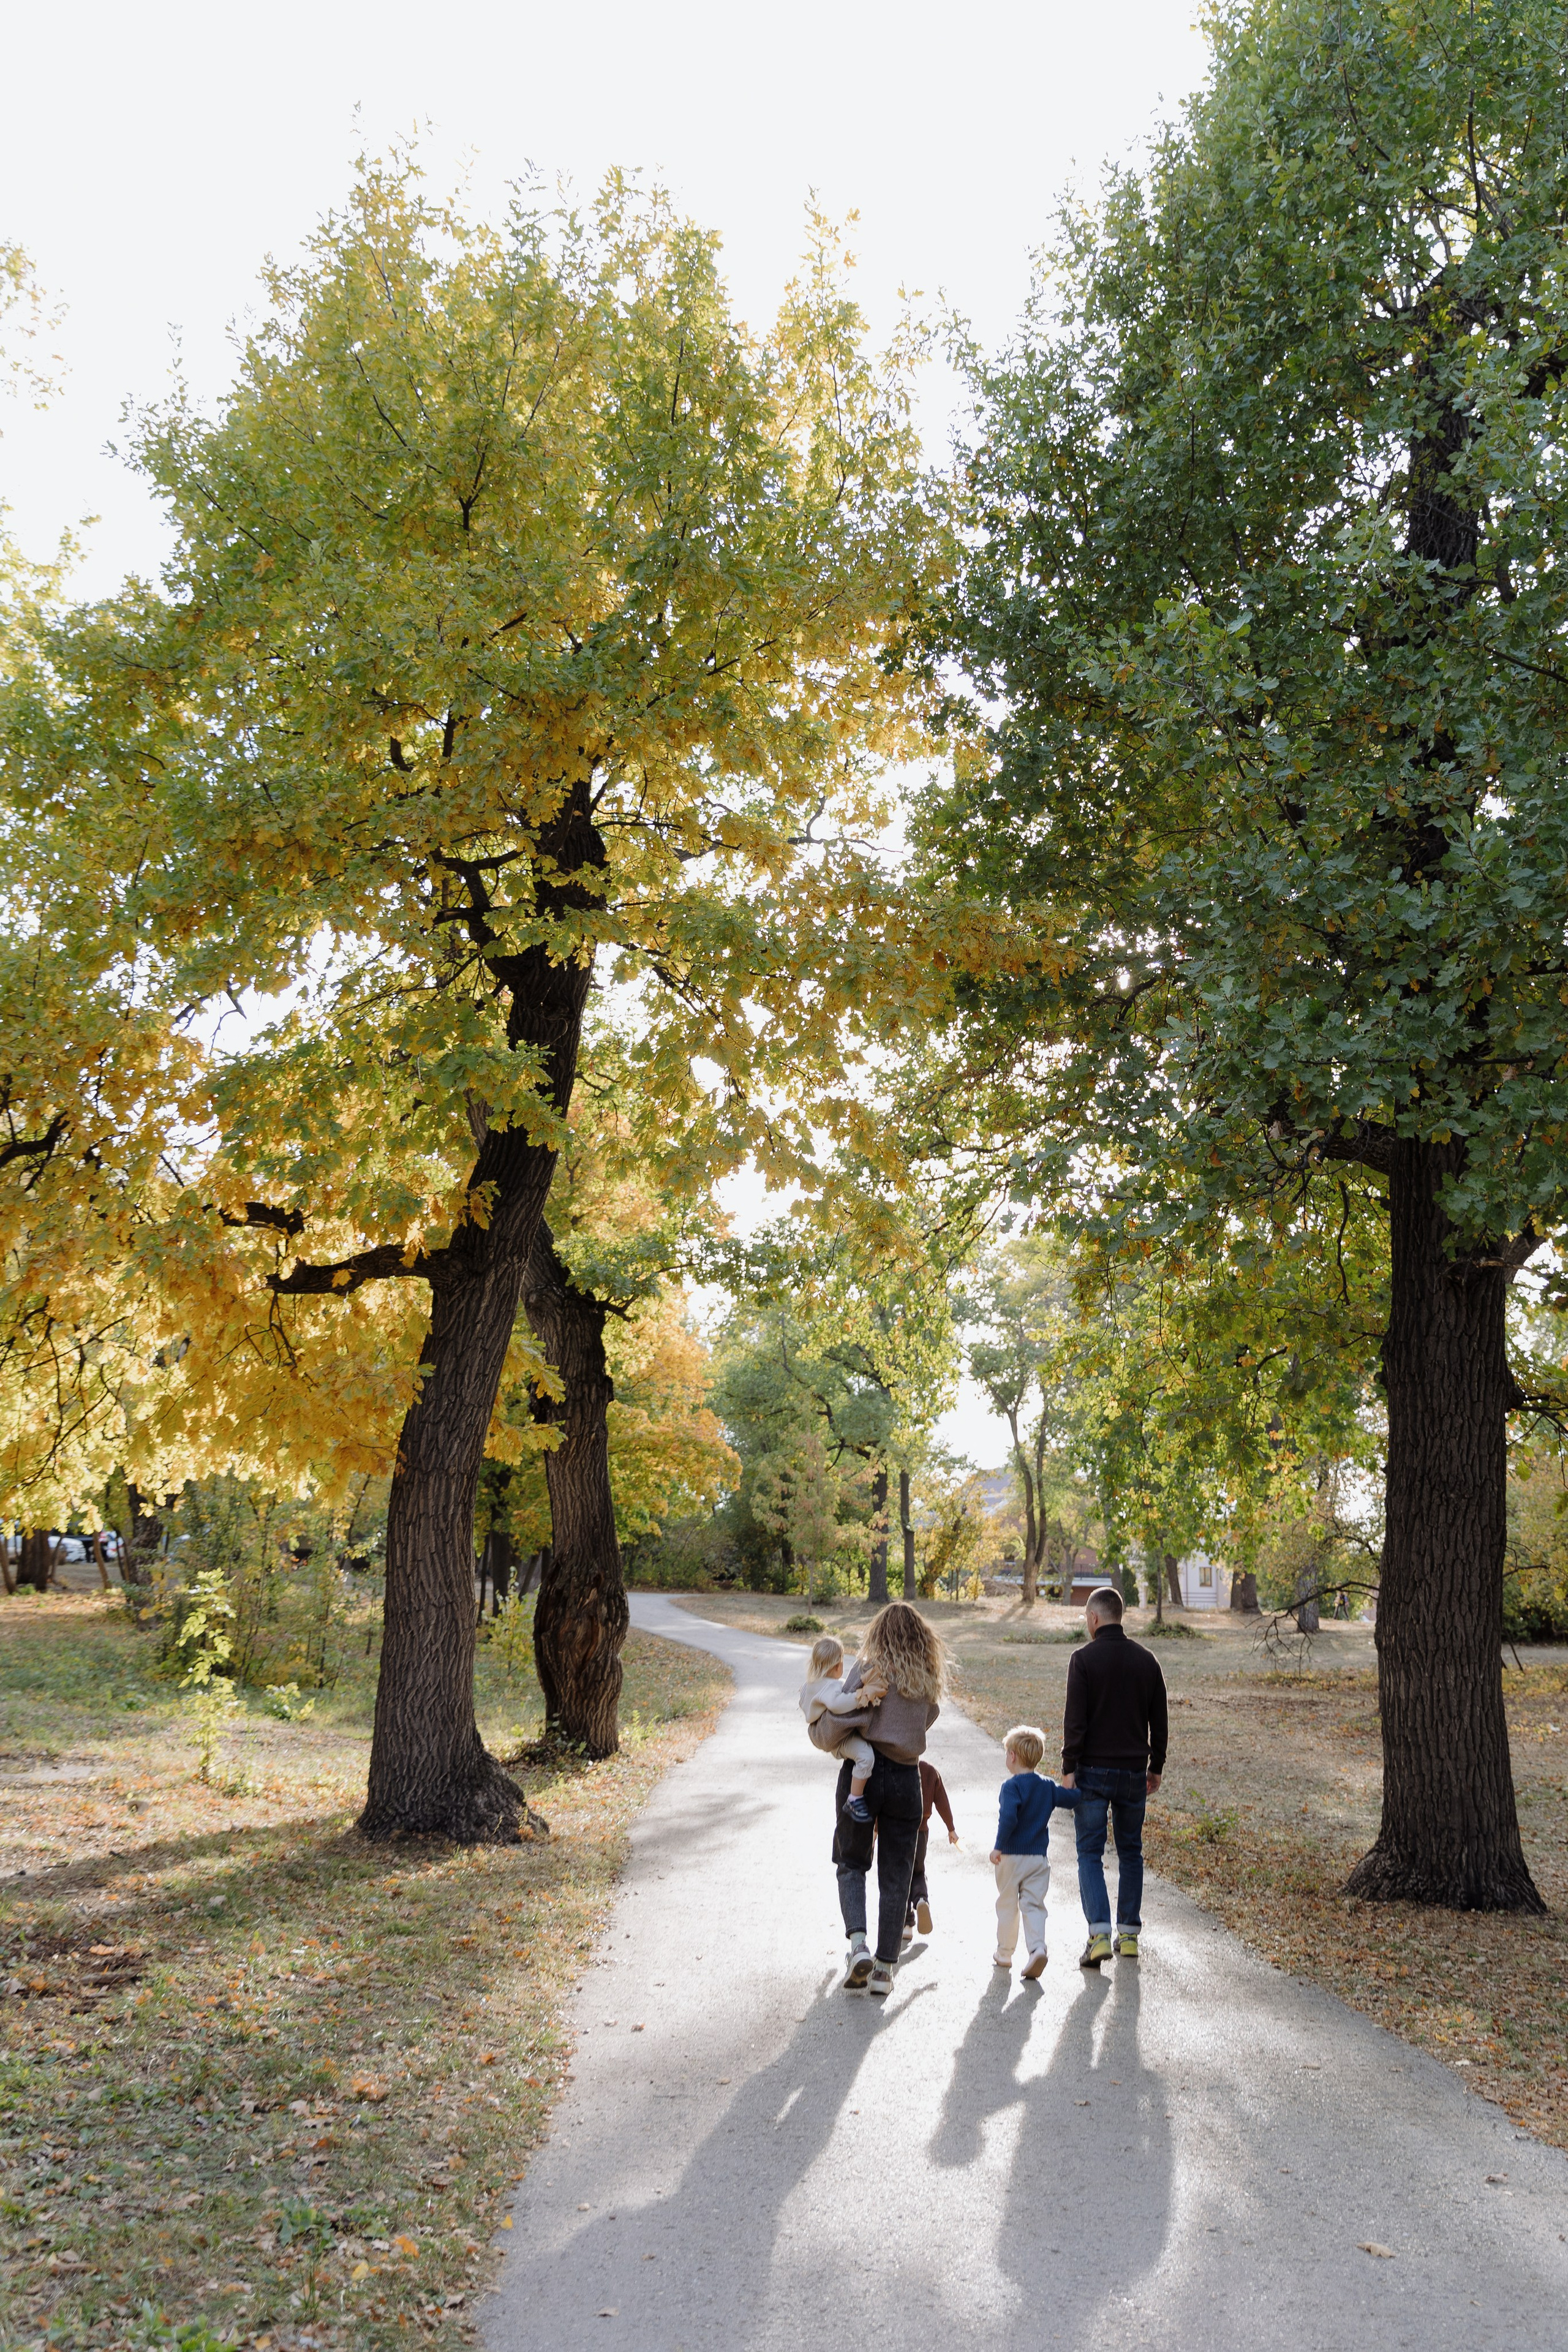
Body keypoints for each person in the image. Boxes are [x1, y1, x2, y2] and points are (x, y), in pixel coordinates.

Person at [832, 1601, 946, 1996]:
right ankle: (884, 1969)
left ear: (879, 1632)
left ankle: (858, 1946)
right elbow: (929, 1717)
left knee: (851, 1861)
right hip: (905, 1777)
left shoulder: (869, 1669)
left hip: (863, 1773)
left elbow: (844, 1709)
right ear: (920, 1637)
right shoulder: (927, 1678)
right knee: (897, 1874)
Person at [1061, 1583, 1168, 1969]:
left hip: (1091, 1771)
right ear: (1119, 1616)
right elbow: (1160, 1721)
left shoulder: (1083, 1659)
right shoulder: (1147, 1660)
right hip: (1132, 1774)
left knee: (1089, 1851)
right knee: (1131, 1852)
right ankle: (1130, 1936)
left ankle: (1099, 1936)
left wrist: (1069, 1768)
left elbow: (1075, 1722)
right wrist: (1155, 1767)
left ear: (1093, 1618)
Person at [988, 1724, 1080, 1978]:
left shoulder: (1011, 1787)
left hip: (1011, 1857)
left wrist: (998, 1847)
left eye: (1007, 1752)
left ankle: (1004, 1954)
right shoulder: (1047, 1786)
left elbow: (1008, 1819)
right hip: (1038, 1859)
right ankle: (1037, 1948)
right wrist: (1084, 1786)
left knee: (1008, 1904)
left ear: (1013, 1756)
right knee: (1033, 1905)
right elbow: (1071, 1799)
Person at [799, 1633, 884, 1822]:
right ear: (838, 1665)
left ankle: (854, 1793)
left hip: (823, 1736)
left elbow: (807, 1700)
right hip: (837, 1738)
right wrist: (862, 1695)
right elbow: (837, 1704)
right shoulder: (830, 1687)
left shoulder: (810, 1684)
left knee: (857, 1753)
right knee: (865, 1756)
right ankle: (855, 1798)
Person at [905, 1758, 958, 1940]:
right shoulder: (929, 1771)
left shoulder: (894, 1766)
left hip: (897, 1832)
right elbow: (942, 1800)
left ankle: (906, 1923)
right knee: (917, 1872)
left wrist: (875, 1831)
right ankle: (921, 1900)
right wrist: (951, 1828)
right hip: (921, 1833)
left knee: (899, 1876)